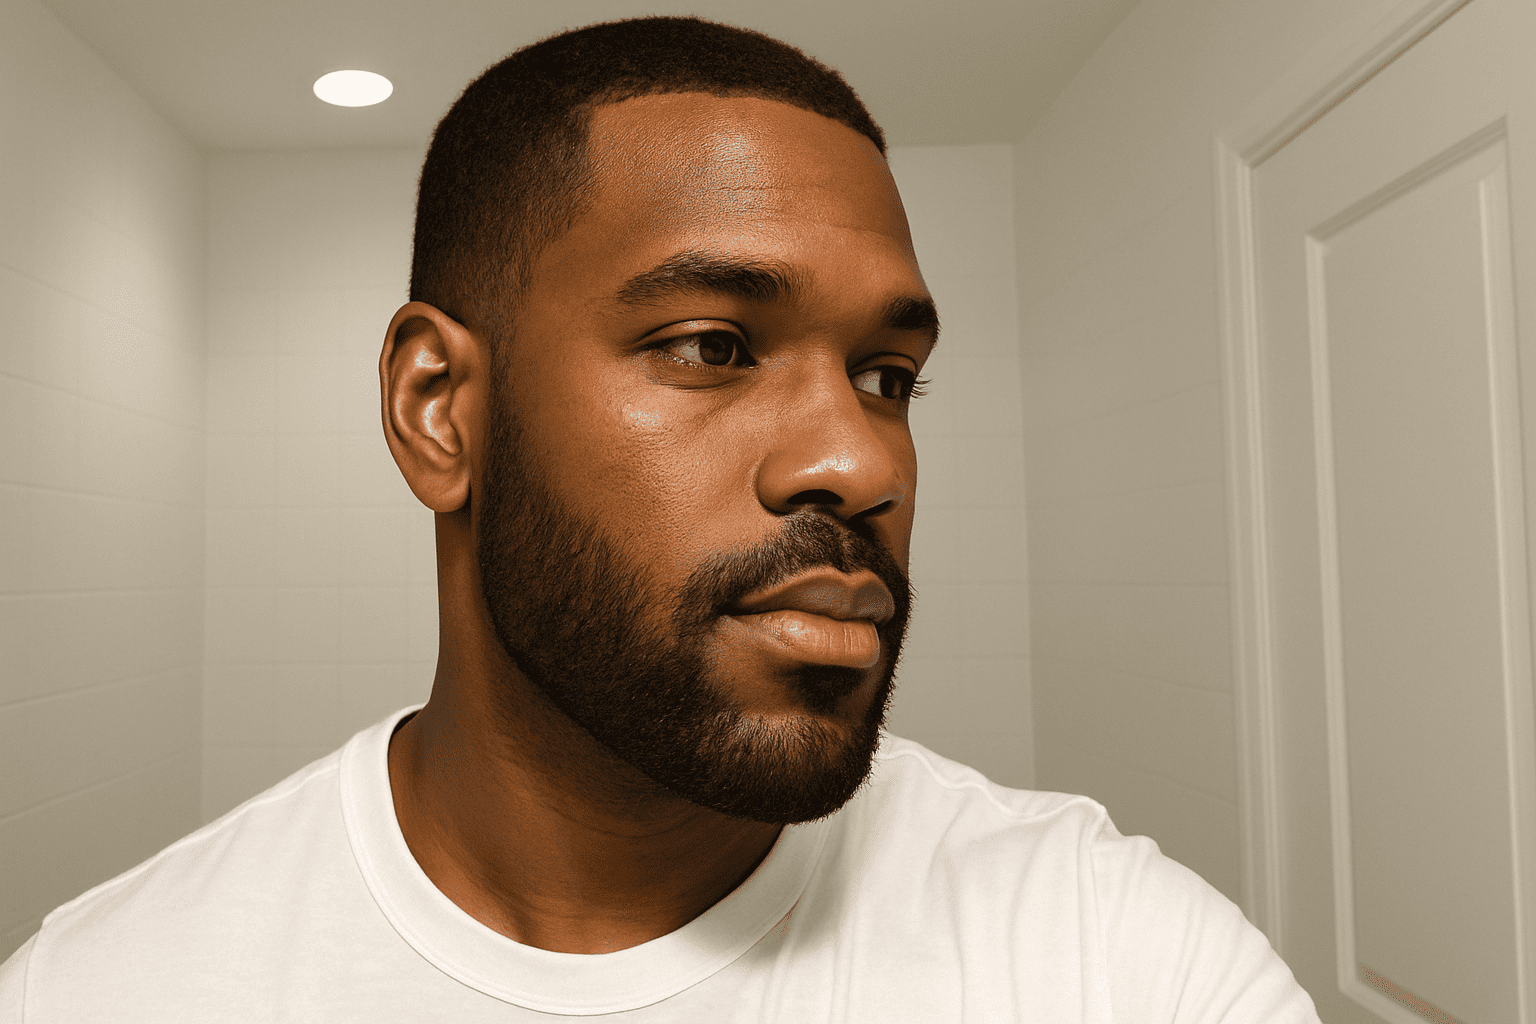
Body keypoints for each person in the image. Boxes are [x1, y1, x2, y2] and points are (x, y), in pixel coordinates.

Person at [0, 16, 1321, 1021]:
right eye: (711, 347)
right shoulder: (107, 989)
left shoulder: (1112, 961)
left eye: (888, 379)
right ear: (440, 409)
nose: (860, 462)